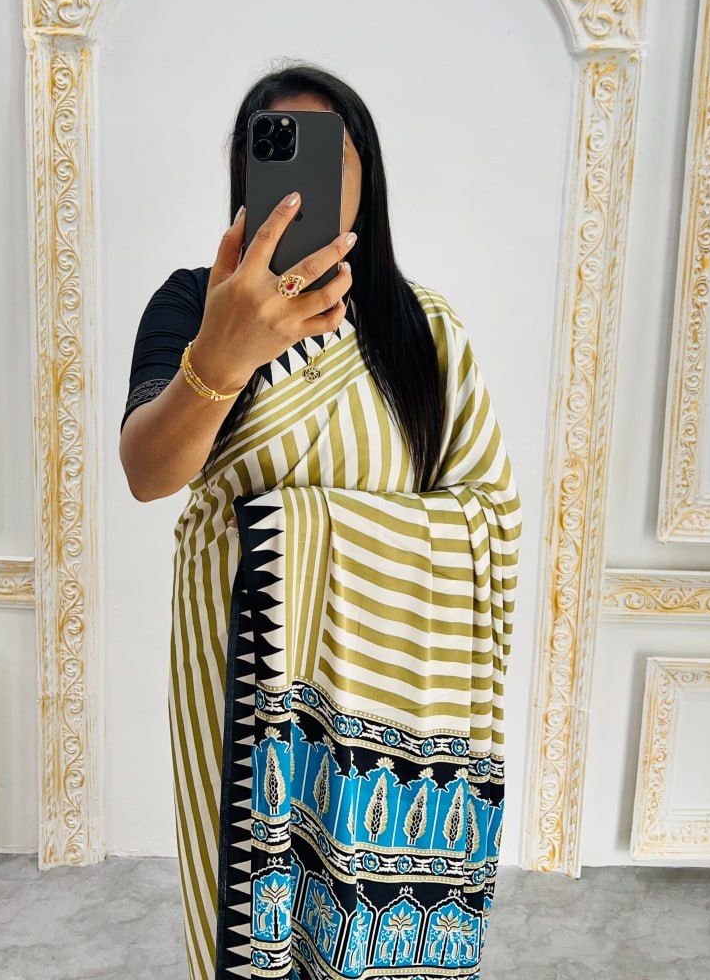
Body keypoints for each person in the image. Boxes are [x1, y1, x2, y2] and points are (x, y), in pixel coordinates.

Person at [119, 62, 522, 980]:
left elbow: (488, 517)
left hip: (395, 691)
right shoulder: (192, 305)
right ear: (246, 176)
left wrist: (306, 531)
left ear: (365, 175)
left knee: (367, 922)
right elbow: (149, 472)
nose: (300, 179)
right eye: (275, 151)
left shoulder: (425, 331)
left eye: (327, 153)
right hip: (242, 667)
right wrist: (225, 353)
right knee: (246, 920)